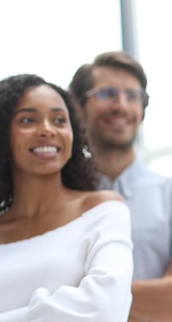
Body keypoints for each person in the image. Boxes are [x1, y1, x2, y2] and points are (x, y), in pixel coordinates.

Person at [0, 74, 133, 322]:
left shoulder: (103, 210)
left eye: (59, 120)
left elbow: (104, 310)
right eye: (28, 120)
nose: (47, 130)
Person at [69, 51, 172, 322]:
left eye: (132, 95)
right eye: (107, 94)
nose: (121, 106)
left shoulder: (169, 195)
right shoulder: (58, 197)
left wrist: (76, 300)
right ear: (78, 107)